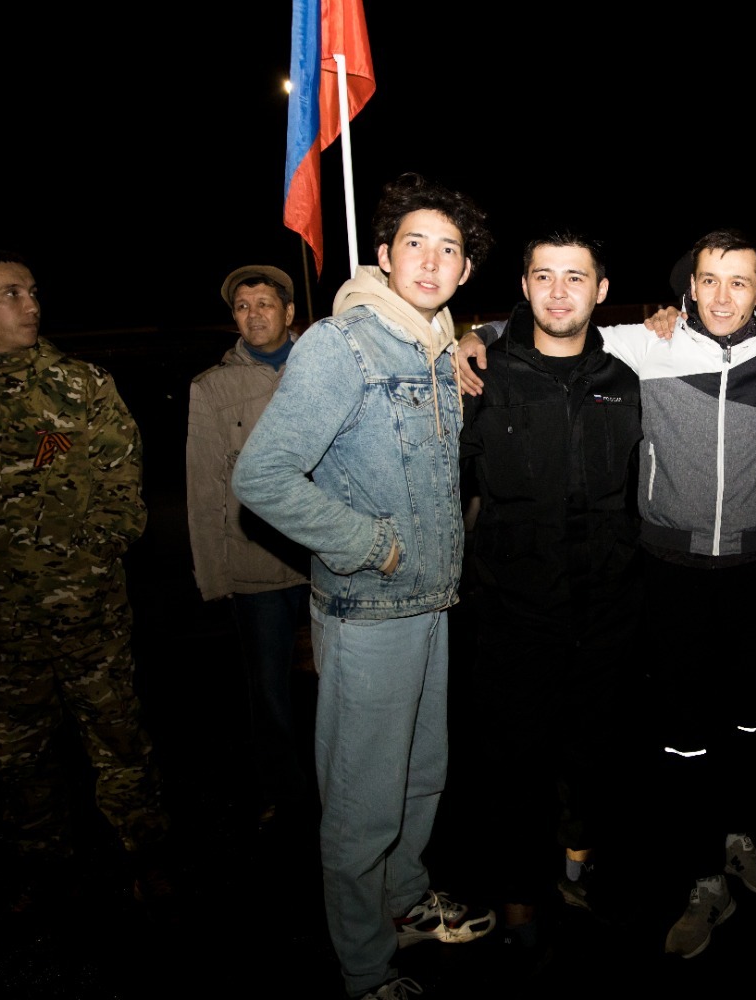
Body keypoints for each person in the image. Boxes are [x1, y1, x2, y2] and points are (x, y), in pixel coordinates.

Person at [457, 229, 756, 959]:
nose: (722, 296)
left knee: (746, 723)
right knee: (683, 733)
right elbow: (553, 327)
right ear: (690, 287)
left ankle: (738, 838)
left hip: (755, 566)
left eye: (739, 282)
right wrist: (475, 334)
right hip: (668, 569)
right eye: (709, 280)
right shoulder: (647, 346)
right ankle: (700, 878)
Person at [232, 173, 497, 1000]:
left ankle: (404, 902)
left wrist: (472, 342)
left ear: (464, 271)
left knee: (420, 776)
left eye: (449, 249)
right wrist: (370, 545)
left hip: (432, 602)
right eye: (415, 243)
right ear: (383, 255)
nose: (431, 260)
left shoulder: (436, 344)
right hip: (370, 606)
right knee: (362, 801)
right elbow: (262, 477)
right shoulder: (340, 344)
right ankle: (363, 964)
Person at [0, 249, 173, 914]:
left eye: (33, 291)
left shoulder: (79, 384)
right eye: (11, 293)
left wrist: (87, 564)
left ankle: (145, 855)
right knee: (17, 752)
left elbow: (123, 491)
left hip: (87, 611)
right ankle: (44, 867)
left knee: (118, 735)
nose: (31, 304)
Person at [458, 232, 643, 957]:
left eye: (575, 277)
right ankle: (518, 899)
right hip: (513, 612)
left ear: (601, 290)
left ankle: (579, 867)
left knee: (595, 752)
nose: (559, 292)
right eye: (544, 276)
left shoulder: (625, 379)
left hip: (606, 610)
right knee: (514, 761)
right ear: (525, 285)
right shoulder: (483, 374)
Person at [186, 264, 314, 831]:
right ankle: (285, 796)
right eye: (242, 306)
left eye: (265, 303)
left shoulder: (323, 368)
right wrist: (214, 577)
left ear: (289, 312)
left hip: (324, 563)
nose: (253, 314)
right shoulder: (212, 387)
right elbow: (202, 486)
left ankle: (343, 787)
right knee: (269, 693)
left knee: (341, 687)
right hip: (255, 568)